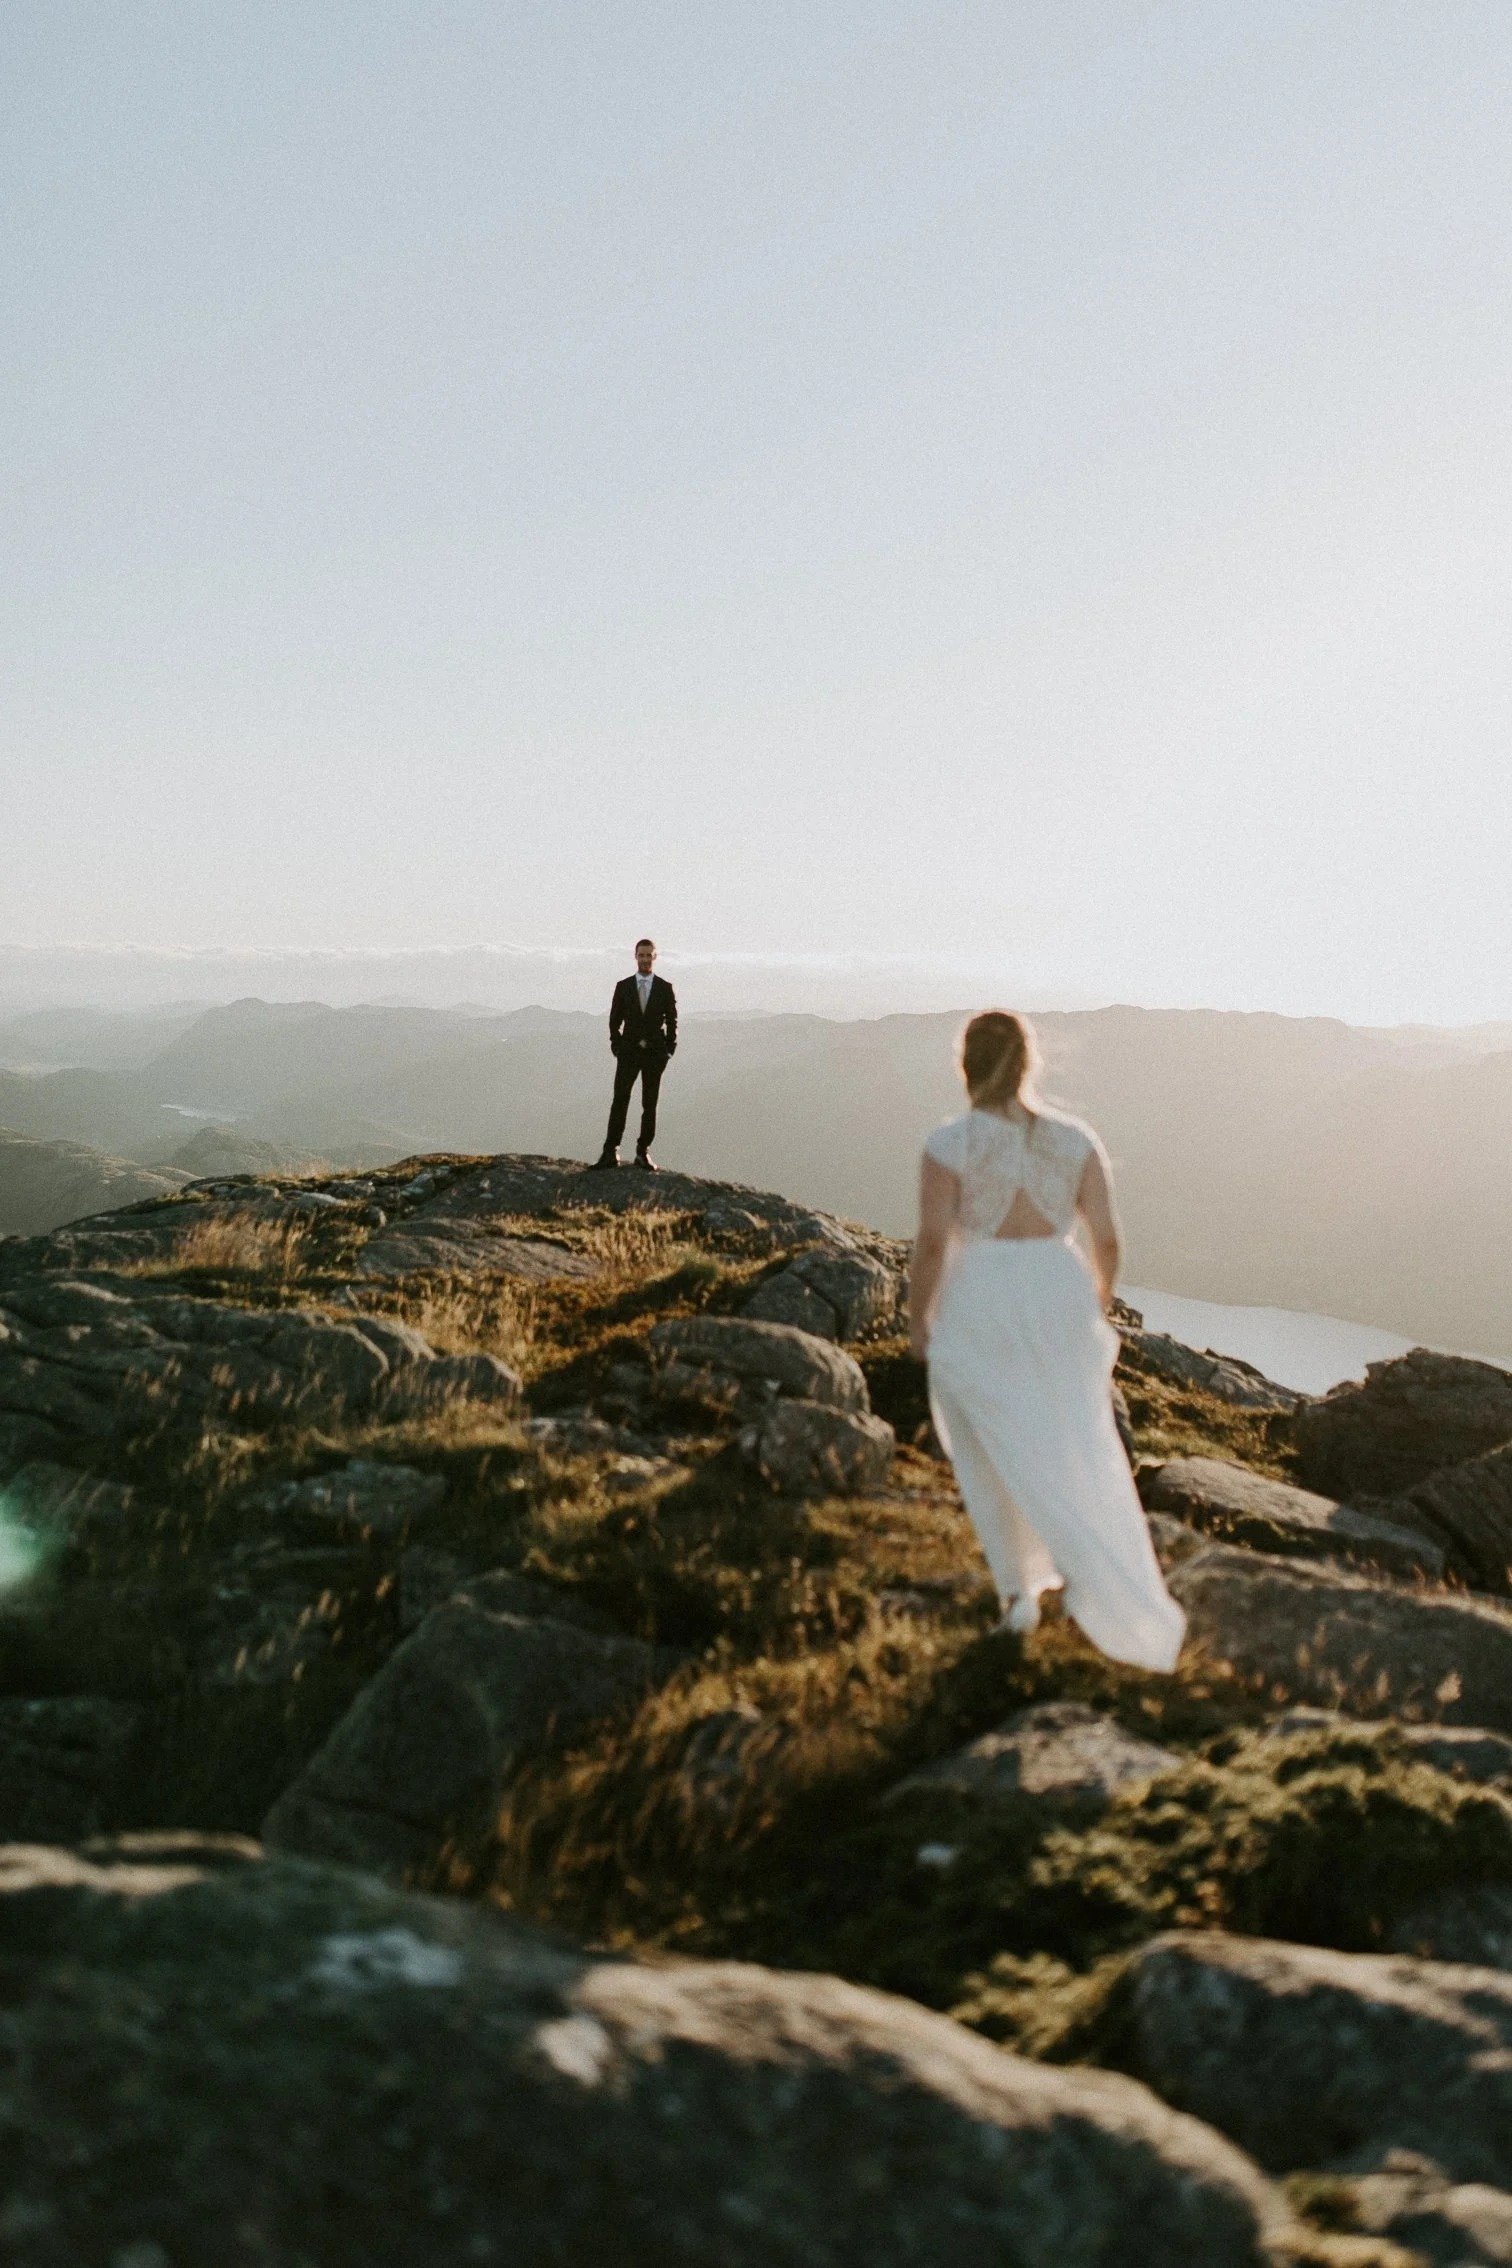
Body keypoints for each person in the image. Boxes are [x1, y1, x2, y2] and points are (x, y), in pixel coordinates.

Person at [907, 1010, 1185, 1671]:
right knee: (1075, 1442)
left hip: (984, 1297)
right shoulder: (1075, 1140)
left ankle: (1019, 1593)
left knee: (996, 1447)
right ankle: (1086, 1574)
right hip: (1059, 1291)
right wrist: (1094, 1299)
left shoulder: (949, 1145)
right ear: (1028, 1065)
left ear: (966, 1066)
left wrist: (920, 1319)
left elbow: (931, 1244)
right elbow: (1108, 1240)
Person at [591, 938, 678, 1171]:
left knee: (649, 1105)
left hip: (654, 1055)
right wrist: (617, 1046)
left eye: (649, 955)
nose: (645, 959)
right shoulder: (623, 986)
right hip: (628, 1053)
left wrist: (668, 1050)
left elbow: (672, 1020)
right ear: (635, 956)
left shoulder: (664, 988)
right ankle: (611, 1151)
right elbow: (614, 1020)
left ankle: (643, 1152)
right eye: (642, 955)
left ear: (655, 957)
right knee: (620, 1101)